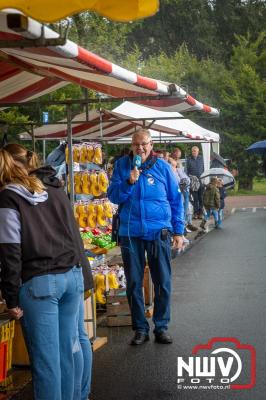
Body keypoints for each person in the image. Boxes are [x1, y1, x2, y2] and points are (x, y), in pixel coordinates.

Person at [0, 144, 93, 400]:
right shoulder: (54, 188)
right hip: (71, 277)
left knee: (46, 364)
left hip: (40, 283)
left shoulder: (9, 197)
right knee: (67, 354)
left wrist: (10, 296)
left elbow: (10, 251)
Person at [107, 129, 184, 345]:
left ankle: (161, 326)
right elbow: (113, 195)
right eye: (136, 144)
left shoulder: (163, 167)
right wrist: (129, 182)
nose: (140, 148)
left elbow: (176, 200)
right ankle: (140, 328)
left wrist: (178, 231)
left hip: (158, 231)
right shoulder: (122, 166)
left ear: (151, 145)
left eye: (144, 144)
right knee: (133, 283)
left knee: (163, 281)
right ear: (131, 145)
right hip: (130, 233)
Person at [186, 146, 205, 219]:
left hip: (201, 181)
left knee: (201, 198)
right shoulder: (189, 159)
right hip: (193, 181)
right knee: (195, 198)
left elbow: (205, 168)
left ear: (198, 151)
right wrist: (188, 179)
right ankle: (195, 213)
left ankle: (201, 213)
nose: (193, 152)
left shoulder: (202, 159)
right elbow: (186, 171)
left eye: (195, 151)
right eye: (192, 151)